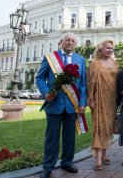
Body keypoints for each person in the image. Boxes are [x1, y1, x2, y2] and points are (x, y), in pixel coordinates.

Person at [36, 32, 87, 178]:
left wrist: (82, 103)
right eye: (67, 40)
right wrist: (46, 92)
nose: (70, 43)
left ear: (75, 44)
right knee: (52, 137)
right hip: (54, 104)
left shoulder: (81, 60)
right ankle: (48, 166)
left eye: (73, 41)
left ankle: (67, 162)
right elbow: (39, 78)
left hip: (72, 104)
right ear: (61, 42)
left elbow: (83, 84)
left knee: (69, 136)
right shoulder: (50, 58)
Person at [87, 40, 118, 170]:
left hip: (112, 100)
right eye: (107, 48)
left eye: (111, 48)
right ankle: (98, 158)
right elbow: (90, 82)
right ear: (100, 50)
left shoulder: (115, 63)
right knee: (99, 126)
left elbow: (118, 81)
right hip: (99, 99)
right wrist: (91, 99)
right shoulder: (94, 63)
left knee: (108, 127)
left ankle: (104, 154)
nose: (110, 50)